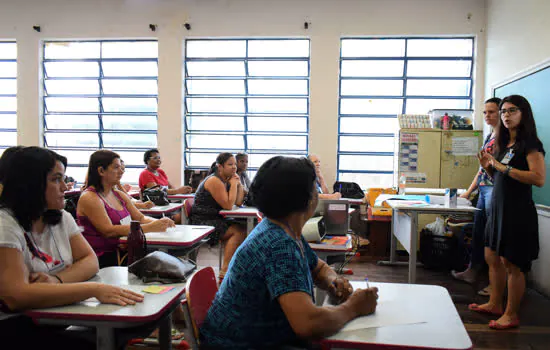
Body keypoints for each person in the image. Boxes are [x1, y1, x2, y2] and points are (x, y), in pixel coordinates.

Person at [200, 156, 378, 349]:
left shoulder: (281, 228)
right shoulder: (279, 244)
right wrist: (354, 307)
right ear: (307, 199)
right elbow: (308, 324)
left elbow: (318, 268)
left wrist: (333, 280)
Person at [0, 147, 143, 348]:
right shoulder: (5, 224)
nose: (65, 188)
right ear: (30, 184)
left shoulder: (61, 218)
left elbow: (90, 261)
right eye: (56, 179)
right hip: (16, 326)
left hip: (57, 314)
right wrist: (91, 289)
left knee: (127, 328)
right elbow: (16, 296)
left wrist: (56, 280)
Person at [469, 95, 545, 330]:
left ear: (524, 114)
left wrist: (502, 166)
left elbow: (538, 178)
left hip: (517, 212)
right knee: (492, 257)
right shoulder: (504, 144)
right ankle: (494, 303)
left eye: (512, 111)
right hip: (498, 209)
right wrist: (488, 169)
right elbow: (500, 178)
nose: (505, 115)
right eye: (503, 111)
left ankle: (511, 314)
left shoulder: (530, 144)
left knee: (513, 264)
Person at [77, 150, 175, 268]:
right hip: (103, 258)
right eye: (116, 167)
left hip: (125, 250)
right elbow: (109, 231)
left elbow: (141, 218)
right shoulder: (90, 197)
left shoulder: (118, 194)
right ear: (101, 171)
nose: (121, 171)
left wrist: (159, 223)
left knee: (165, 258)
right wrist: (149, 227)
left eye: (121, 168)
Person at [452, 97, 502, 296]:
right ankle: (472, 271)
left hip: (495, 190)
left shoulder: (505, 138)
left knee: (493, 238)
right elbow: (481, 169)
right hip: (483, 189)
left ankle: (495, 283)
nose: (487, 116)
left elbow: (496, 168)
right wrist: (469, 191)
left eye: (492, 112)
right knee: (479, 234)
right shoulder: (490, 136)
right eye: (485, 112)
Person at [190, 153, 246, 283]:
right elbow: (227, 205)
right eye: (230, 165)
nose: (234, 168)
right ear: (220, 167)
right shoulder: (214, 180)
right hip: (203, 221)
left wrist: (238, 184)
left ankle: (233, 268)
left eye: (235, 165)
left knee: (243, 227)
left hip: (216, 218)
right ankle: (225, 272)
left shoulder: (226, 180)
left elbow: (238, 202)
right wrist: (232, 184)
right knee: (238, 231)